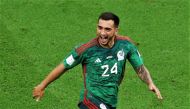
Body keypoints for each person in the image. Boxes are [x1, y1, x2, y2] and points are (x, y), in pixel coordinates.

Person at [33, 12, 163, 109]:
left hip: (110, 101)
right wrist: (42, 85)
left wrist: (149, 83)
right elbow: (64, 66)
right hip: (90, 99)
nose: (102, 33)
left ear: (116, 30)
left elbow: (139, 68)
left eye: (107, 29)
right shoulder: (86, 49)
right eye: (100, 28)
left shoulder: (126, 45)